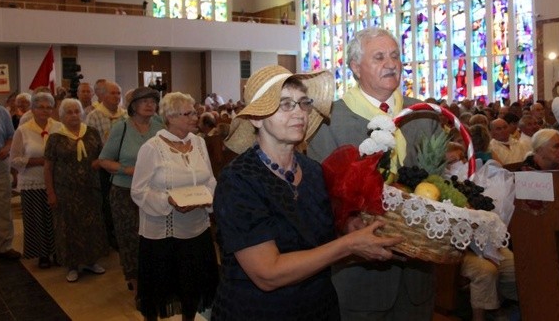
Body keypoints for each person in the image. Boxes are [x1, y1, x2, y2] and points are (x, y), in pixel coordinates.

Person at [215, 65, 402, 320]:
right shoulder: (239, 179)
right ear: (256, 118)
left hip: (318, 308)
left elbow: (320, 238)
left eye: (303, 103)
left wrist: (349, 229)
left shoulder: (313, 171)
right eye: (285, 105)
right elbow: (267, 274)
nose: (300, 113)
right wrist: (348, 244)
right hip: (259, 312)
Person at [308, 27, 440, 320]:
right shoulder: (328, 121)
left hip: (417, 278)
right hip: (359, 278)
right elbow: (317, 198)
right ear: (355, 67)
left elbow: (438, 185)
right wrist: (347, 224)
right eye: (379, 57)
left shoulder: (424, 115)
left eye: (394, 56)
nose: (391, 63)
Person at [131, 92, 218, 321]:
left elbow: (208, 180)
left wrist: (207, 198)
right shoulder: (152, 148)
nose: (194, 117)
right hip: (163, 234)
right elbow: (138, 190)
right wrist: (168, 201)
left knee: (192, 286)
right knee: (160, 289)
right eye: (188, 113)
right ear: (170, 117)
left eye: (194, 111)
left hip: (196, 229)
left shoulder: (198, 143)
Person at [99, 87, 164, 295]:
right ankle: (136, 283)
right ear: (133, 106)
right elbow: (104, 160)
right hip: (124, 191)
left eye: (152, 102)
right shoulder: (122, 128)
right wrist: (128, 170)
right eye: (144, 101)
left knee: (154, 236)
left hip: (154, 191)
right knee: (130, 239)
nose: (149, 105)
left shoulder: (160, 126)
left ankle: (154, 277)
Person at [44, 99, 108, 282]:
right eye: (69, 112)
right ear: (62, 116)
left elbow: (102, 155)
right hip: (66, 192)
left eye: (76, 111)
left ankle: (91, 261)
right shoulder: (55, 138)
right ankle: (72, 265)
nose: (73, 115)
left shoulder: (92, 133)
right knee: (68, 228)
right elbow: (48, 167)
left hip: (90, 190)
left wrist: (100, 162)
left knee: (92, 225)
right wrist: (51, 193)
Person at [10, 92, 60, 268]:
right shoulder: (23, 130)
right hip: (32, 182)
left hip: (56, 182)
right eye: (40, 107)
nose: (45, 111)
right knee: (37, 220)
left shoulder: (59, 127)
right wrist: (39, 161)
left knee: (55, 220)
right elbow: (14, 159)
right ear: (33, 109)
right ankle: (42, 254)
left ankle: (58, 251)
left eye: (48, 107)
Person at [85, 81, 127, 250]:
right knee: (107, 202)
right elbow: (90, 143)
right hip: (103, 166)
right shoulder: (94, 116)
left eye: (118, 93)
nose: (116, 96)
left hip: (123, 164)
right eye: (113, 93)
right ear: (102, 95)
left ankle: (122, 233)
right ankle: (109, 236)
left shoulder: (125, 115)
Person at [0, 101, 21, 260]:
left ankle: (5, 246)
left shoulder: (1, 112)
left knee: (3, 206)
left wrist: (7, 147)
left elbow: (11, 136)